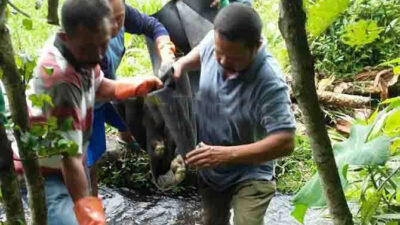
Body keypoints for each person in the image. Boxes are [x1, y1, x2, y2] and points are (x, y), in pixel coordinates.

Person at [15, 0, 163, 224]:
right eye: (96, 47)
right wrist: (89, 214)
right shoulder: (61, 81)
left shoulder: (84, 49)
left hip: (64, 157)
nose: (101, 54)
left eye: (105, 44)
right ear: (70, 35)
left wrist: (137, 85)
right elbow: (69, 161)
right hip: (44, 172)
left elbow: (99, 86)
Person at [173, 4, 295, 225]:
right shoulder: (215, 41)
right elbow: (204, 50)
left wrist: (225, 155)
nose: (222, 62)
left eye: (234, 59)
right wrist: (182, 64)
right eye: (219, 54)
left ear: (256, 47)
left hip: (252, 173)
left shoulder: (270, 82)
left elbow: (285, 142)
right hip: (212, 169)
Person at [87, 0, 176, 196]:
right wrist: (137, 85)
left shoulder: (121, 11)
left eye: (120, 18)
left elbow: (152, 25)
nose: (117, 26)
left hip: (109, 87)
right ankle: (91, 207)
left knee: (134, 119)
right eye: (110, 21)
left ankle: (127, 144)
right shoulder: (86, 43)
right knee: (89, 162)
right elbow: (102, 89)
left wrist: (164, 46)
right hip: (87, 103)